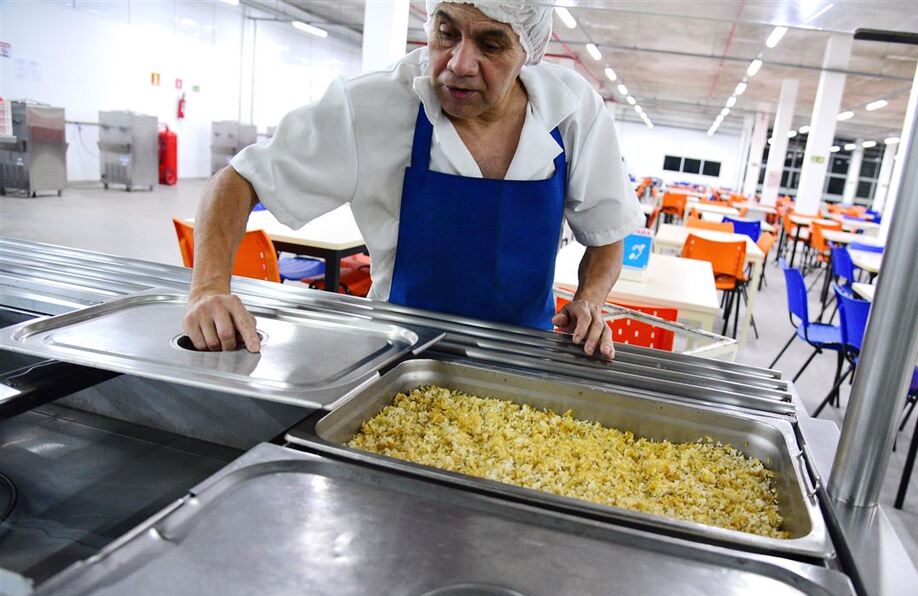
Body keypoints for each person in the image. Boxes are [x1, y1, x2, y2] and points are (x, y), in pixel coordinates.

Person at [184, 0, 643, 359]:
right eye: (447, 32)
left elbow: (607, 232)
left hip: (521, 360)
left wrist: (590, 299)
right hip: (395, 356)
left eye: (491, 44)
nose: (460, 63)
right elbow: (237, 181)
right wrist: (208, 288)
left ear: (530, 49)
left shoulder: (572, 111)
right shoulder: (371, 105)